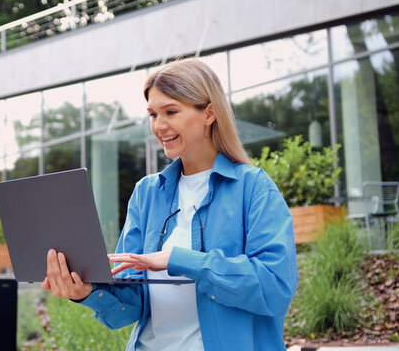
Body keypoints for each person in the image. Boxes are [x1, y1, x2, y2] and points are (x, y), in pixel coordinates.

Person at [42, 58, 298, 350]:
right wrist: (85, 291)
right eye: (152, 114)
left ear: (209, 113)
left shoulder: (253, 188)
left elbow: (275, 288)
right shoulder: (146, 194)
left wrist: (180, 259)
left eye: (171, 112)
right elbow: (131, 304)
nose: (159, 126)